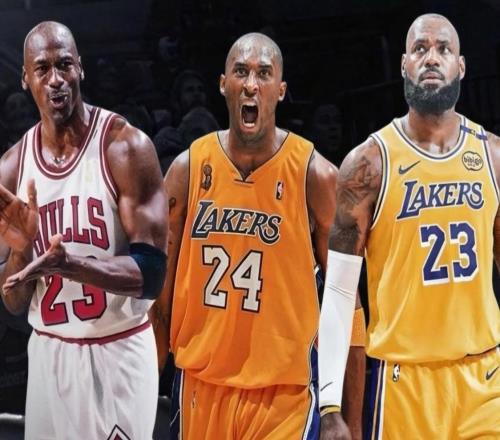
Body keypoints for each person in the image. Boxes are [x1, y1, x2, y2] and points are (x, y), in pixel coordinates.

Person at [149, 32, 365, 439]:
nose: (251, 84)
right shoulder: (186, 171)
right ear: (223, 84)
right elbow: (159, 306)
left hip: (283, 399)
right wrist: (141, 398)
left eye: (264, 73)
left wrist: (346, 418)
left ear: (280, 90)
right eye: (241, 72)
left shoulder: (316, 176)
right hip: (200, 388)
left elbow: (345, 304)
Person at [318, 13, 500, 439]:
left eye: (443, 49)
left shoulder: (493, 157)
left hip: (484, 378)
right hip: (404, 384)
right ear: (403, 65)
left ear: (461, 66)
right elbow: (340, 292)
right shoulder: (368, 165)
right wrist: (330, 405)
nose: (431, 58)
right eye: (420, 49)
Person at [0, 21, 167, 439]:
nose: (56, 79)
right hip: (49, 354)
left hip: (117, 350)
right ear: (25, 79)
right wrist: (21, 251)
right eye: (42, 69)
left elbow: (152, 274)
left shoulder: (125, 148)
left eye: (65, 65)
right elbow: (14, 302)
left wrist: (71, 265)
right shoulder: (12, 168)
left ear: (81, 68)